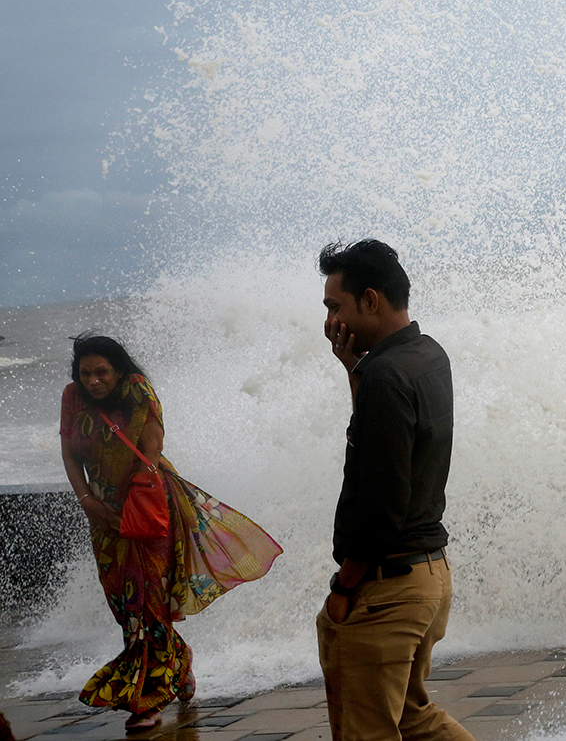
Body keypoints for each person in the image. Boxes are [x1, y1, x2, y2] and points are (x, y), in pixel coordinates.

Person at [59, 335, 282, 733]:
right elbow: (69, 453)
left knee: (148, 604)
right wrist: (87, 500)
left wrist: (131, 505)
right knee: (124, 606)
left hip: (146, 505)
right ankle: (178, 660)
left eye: (101, 372)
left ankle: (148, 699)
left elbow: (153, 448)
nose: (93, 381)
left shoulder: (137, 391)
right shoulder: (73, 399)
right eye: (85, 373)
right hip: (102, 513)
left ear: (119, 370)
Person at [316, 239, 473, 741]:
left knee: (367, 732)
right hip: (429, 574)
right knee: (412, 718)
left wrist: (344, 588)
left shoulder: (384, 375)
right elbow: (393, 445)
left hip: (388, 586)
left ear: (370, 299)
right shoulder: (427, 354)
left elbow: (382, 504)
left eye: (334, 307)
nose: (329, 322)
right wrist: (354, 371)